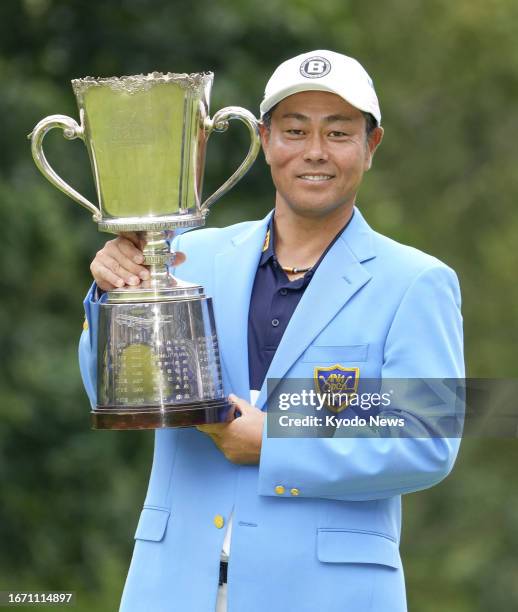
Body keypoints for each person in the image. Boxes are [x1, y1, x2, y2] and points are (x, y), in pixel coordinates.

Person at [79, 50, 464, 612]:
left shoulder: (416, 281)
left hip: (329, 594)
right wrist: (113, 296)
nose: (314, 151)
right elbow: (104, 392)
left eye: (338, 132)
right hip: (171, 587)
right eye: (294, 129)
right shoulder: (187, 257)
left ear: (371, 145)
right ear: (263, 139)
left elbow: (426, 440)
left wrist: (278, 439)